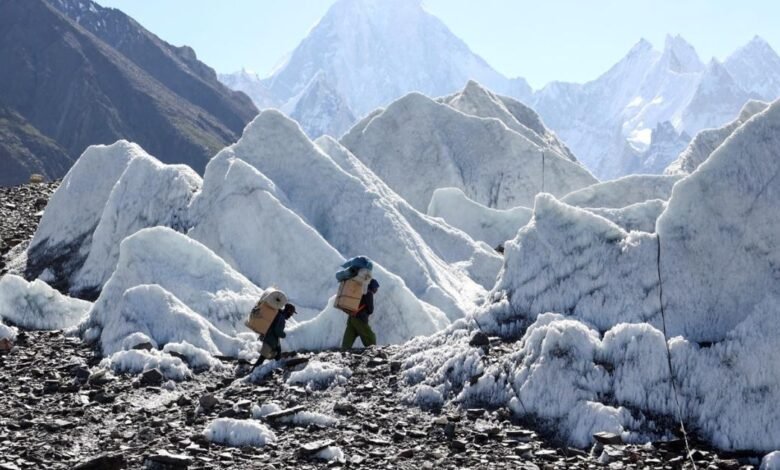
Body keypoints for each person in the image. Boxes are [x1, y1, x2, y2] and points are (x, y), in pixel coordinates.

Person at [253, 303, 295, 369]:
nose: (291, 315)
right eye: (291, 313)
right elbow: (276, 330)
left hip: (273, 339)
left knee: (277, 354)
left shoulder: (279, 315)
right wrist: (283, 335)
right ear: (288, 311)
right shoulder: (281, 318)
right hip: (270, 339)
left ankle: (275, 369)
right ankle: (252, 373)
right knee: (263, 357)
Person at [342, 279, 379, 349]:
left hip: (351, 318)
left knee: (348, 338)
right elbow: (370, 310)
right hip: (360, 319)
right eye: (376, 288)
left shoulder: (361, 293)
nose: (377, 290)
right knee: (370, 337)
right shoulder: (369, 293)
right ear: (373, 287)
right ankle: (373, 352)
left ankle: (343, 352)